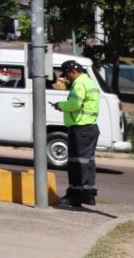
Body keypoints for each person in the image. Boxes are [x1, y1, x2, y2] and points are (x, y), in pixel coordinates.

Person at [51, 59, 100, 208]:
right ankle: (88, 195)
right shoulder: (90, 82)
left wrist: (60, 106)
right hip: (90, 128)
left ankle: (74, 196)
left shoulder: (79, 84)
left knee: (76, 163)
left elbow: (75, 104)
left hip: (80, 128)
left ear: (73, 72)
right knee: (88, 162)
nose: (66, 78)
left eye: (67, 75)